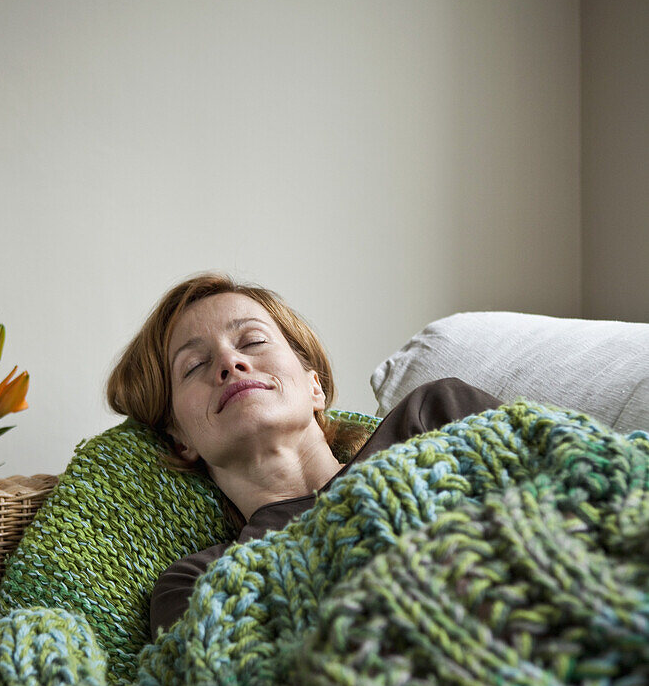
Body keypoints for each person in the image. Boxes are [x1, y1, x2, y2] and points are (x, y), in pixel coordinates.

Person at [106, 273, 499, 637]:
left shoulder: (433, 415)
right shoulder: (198, 582)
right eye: (194, 366)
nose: (230, 362)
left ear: (315, 386)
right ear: (181, 440)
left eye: (252, 342)